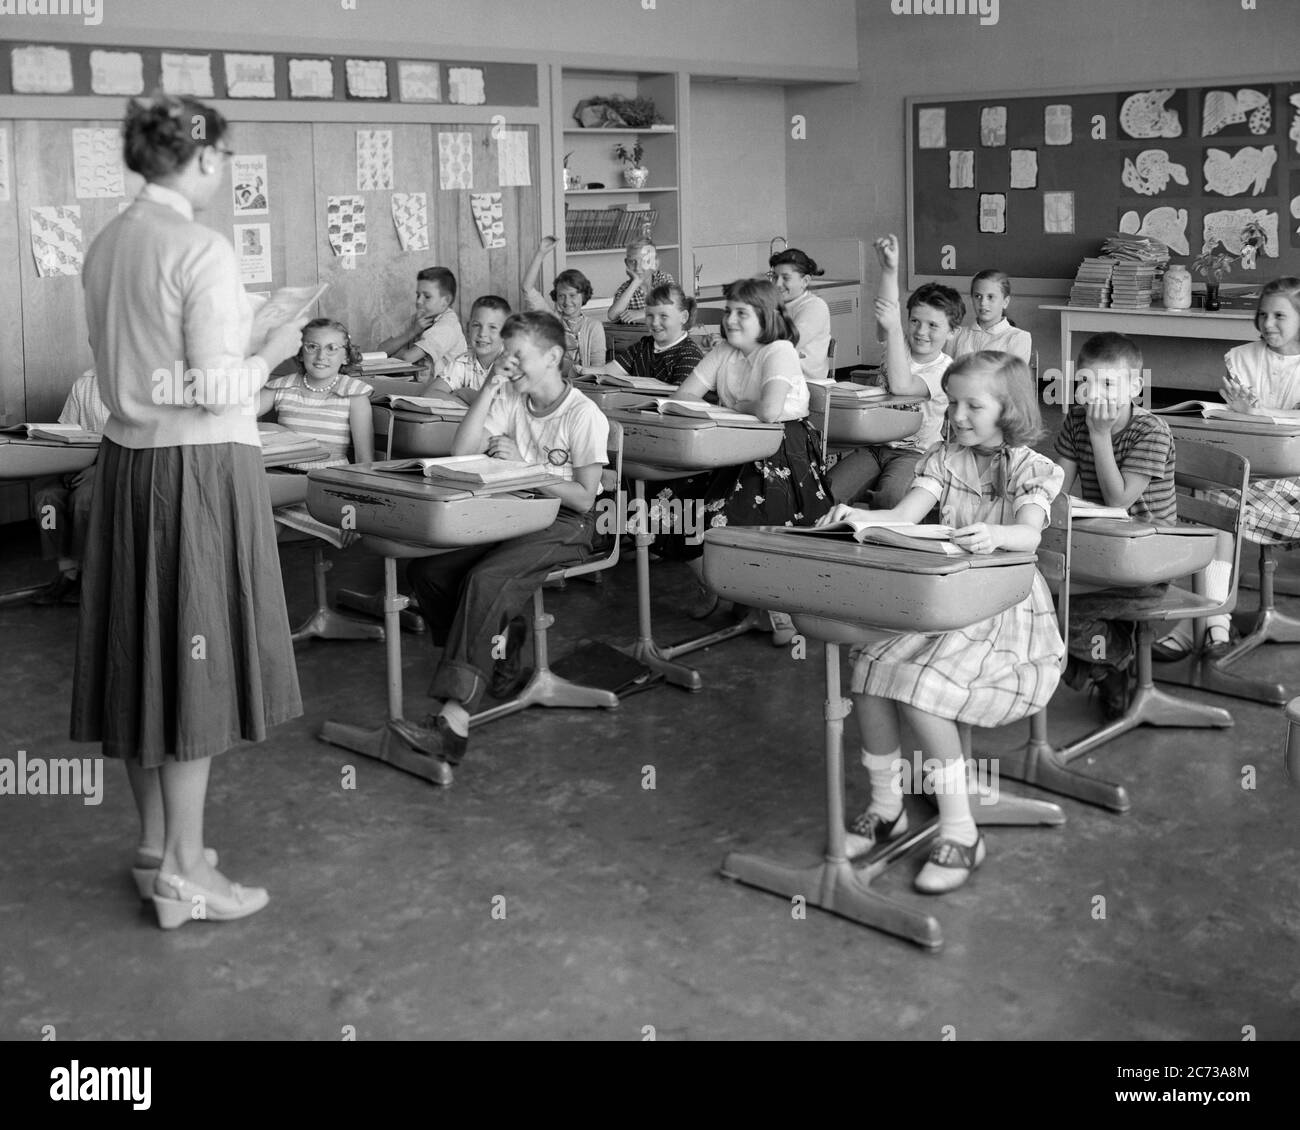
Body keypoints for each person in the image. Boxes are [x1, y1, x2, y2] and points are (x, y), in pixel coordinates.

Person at [72, 94, 305, 928]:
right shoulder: (199, 247)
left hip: (129, 467)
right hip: (197, 473)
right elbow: (213, 389)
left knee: (146, 660)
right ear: (204, 159)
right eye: (225, 156)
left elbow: (114, 363)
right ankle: (184, 873)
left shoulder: (107, 244)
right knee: (194, 668)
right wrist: (273, 350)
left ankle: (157, 848)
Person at [822, 351, 1064, 892]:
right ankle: (888, 807)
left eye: (972, 404)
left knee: (923, 689)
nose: (956, 414)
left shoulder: (1032, 467)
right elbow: (904, 517)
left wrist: (998, 535)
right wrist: (861, 516)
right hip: (944, 601)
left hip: (1005, 609)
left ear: (1009, 409)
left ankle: (960, 829)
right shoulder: (943, 457)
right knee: (869, 674)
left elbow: (1029, 534)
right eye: (952, 402)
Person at [398, 312, 609, 772]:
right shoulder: (512, 396)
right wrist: (492, 387)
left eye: (519, 354)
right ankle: (499, 647)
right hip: (514, 512)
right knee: (427, 573)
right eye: (506, 353)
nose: (508, 361)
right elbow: (461, 451)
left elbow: (584, 496)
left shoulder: (583, 414)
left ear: (553, 357)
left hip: (567, 522)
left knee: (486, 579)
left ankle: (452, 724)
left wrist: (527, 468)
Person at [673, 277, 832, 643]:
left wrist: (730, 406)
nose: (730, 320)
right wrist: (739, 407)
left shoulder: (778, 349)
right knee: (672, 508)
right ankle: (734, 589)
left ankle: (777, 605)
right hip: (730, 448)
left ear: (764, 316)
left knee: (719, 518)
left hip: (779, 457)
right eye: (728, 312)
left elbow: (770, 411)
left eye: (741, 313)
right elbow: (684, 397)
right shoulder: (725, 351)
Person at [1156, 277, 1300, 661]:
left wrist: (1256, 413)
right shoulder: (1242, 358)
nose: (1268, 323)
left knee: (1217, 503)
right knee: (1206, 494)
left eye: (1280, 316)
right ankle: (1213, 623)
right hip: (1251, 472)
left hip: (1293, 483)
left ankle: (1204, 624)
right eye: (1263, 314)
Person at [1053, 333, 1175, 719]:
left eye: (1108, 383)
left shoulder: (1151, 431)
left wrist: (1100, 435)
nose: (1094, 393)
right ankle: (1114, 653)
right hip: (1100, 549)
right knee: (1037, 594)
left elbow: (1118, 501)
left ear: (1136, 387)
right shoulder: (1076, 418)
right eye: (1085, 381)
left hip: (1149, 560)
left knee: (1063, 612)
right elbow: (1058, 486)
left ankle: (1114, 664)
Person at [827, 234, 963, 508]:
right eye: (914, 321)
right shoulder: (897, 344)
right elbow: (887, 311)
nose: (921, 331)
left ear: (952, 332)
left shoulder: (945, 369)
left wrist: (895, 328)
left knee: (891, 499)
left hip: (916, 453)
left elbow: (903, 387)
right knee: (826, 492)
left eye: (933, 326)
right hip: (875, 446)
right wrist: (890, 269)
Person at [29, 368, 110, 606]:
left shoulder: (134, 379)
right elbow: (66, 435)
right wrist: (67, 467)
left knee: (84, 499)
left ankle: (88, 576)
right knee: (46, 499)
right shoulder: (84, 383)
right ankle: (67, 572)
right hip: (78, 466)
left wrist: (100, 468)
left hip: (114, 468)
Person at [260, 318, 373, 468]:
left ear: (346, 356)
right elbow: (235, 417)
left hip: (329, 477)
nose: (321, 356)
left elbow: (364, 458)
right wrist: (273, 430)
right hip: (282, 474)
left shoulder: (354, 393)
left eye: (332, 348)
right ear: (300, 353)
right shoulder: (283, 386)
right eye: (312, 347)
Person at [577, 283, 704, 386]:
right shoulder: (643, 346)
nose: (655, 323)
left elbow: (681, 400)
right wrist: (582, 371)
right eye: (649, 315)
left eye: (663, 316)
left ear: (683, 317)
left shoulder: (690, 356)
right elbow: (607, 371)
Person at [521, 236, 605, 375]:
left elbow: (598, 368)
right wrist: (541, 253)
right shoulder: (550, 319)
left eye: (572, 295)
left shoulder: (594, 327)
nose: (567, 302)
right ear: (556, 296)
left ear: (583, 295)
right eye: (561, 296)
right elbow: (527, 288)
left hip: (582, 386)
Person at [419, 295, 511, 405]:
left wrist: (465, 393)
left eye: (492, 327)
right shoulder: (463, 362)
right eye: (476, 325)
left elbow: (497, 407)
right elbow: (429, 394)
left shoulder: (512, 365)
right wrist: (469, 405)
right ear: (468, 328)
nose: (482, 334)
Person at [377, 265, 466, 375]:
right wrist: (412, 332)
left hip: (445, 390)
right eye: (418, 295)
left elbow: (407, 357)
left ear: (445, 301)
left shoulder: (448, 326)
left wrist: (395, 354)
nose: (419, 301)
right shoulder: (419, 318)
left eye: (427, 297)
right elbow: (381, 351)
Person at [769, 248, 831, 380]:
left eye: (785, 278)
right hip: (774, 375)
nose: (778, 284)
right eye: (774, 277)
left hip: (806, 385)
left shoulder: (815, 306)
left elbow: (788, 342)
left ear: (805, 281)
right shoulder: (773, 304)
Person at [948, 269, 1032, 364]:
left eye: (990, 297)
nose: (983, 303)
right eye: (978, 296)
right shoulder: (956, 335)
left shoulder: (1017, 337)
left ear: (1005, 302)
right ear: (971, 299)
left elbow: (1013, 377)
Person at [606, 239, 675, 325]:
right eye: (632, 262)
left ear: (655, 264)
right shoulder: (626, 289)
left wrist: (643, 312)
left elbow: (674, 305)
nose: (637, 268)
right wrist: (635, 283)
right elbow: (612, 315)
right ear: (626, 263)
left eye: (644, 262)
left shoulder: (663, 279)